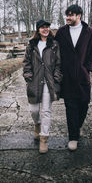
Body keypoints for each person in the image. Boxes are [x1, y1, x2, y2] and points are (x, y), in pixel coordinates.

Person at [54, 5, 92, 151]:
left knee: (84, 104)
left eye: (70, 15)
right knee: (70, 107)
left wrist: (87, 68)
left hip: (82, 76)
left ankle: (76, 126)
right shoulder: (61, 32)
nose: (67, 17)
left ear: (79, 16)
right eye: (66, 15)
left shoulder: (88, 32)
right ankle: (73, 137)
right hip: (66, 77)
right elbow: (54, 50)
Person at [23, 19, 62, 154]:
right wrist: (28, 76)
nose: (45, 29)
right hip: (34, 81)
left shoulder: (54, 44)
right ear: (38, 30)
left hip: (49, 82)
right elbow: (26, 62)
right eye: (42, 27)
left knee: (46, 111)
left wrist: (56, 78)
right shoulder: (31, 45)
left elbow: (58, 63)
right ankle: (37, 124)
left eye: (47, 27)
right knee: (34, 110)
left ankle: (44, 139)